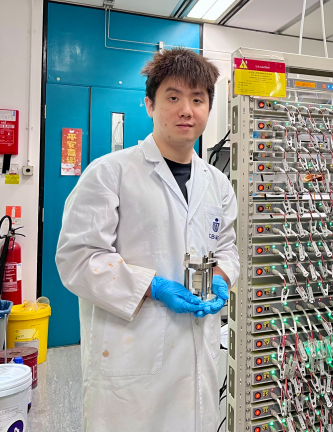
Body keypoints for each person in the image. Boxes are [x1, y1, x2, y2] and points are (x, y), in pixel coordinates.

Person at [56, 48, 239, 431]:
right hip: (131, 356)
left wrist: (221, 277)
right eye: (173, 97)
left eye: (197, 99)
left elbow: (226, 246)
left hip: (195, 353)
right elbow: (77, 258)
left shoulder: (217, 183)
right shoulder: (109, 173)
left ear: (208, 108)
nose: (186, 110)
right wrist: (151, 287)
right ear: (150, 104)